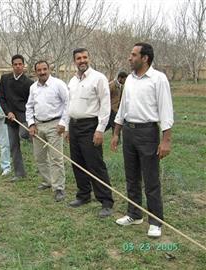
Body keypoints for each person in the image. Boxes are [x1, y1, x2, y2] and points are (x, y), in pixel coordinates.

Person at [111, 42, 174, 238]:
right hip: (129, 132)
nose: (129, 58)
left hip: (148, 133)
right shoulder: (129, 79)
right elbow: (122, 108)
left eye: (133, 55)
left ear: (145, 58)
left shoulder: (158, 79)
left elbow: (166, 110)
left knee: (151, 179)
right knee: (131, 176)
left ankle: (155, 221)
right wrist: (116, 133)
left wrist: (166, 140)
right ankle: (134, 214)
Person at [66, 48, 114, 218]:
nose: (82, 60)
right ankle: (83, 195)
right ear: (74, 61)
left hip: (90, 126)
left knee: (95, 164)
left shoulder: (98, 78)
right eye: (78, 58)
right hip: (74, 125)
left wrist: (100, 129)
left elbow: (105, 105)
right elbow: (68, 105)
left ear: (89, 58)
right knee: (77, 162)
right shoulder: (72, 81)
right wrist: (66, 127)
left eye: (85, 57)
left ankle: (106, 201)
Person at [26, 61, 68, 202]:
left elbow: (68, 103)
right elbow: (29, 107)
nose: (42, 72)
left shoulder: (58, 84)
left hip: (55, 125)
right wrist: (31, 124)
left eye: (45, 69)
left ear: (49, 69)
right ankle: (48, 181)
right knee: (39, 157)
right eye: (39, 70)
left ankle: (59, 188)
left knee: (56, 157)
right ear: (35, 71)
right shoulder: (33, 88)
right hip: (38, 125)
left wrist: (63, 123)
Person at [0, 54, 34, 181]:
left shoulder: (29, 83)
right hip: (10, 116)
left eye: (20, 64)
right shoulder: (4, 79)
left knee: (24, 134)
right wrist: (8, 112)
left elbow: (31, 102)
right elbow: (1, 98)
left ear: (23, 66)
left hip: (24, 115)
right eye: (15, 64)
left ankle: (33, 139)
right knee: (13, 145)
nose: (18, 66)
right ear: (12, 65)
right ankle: (19, 173)